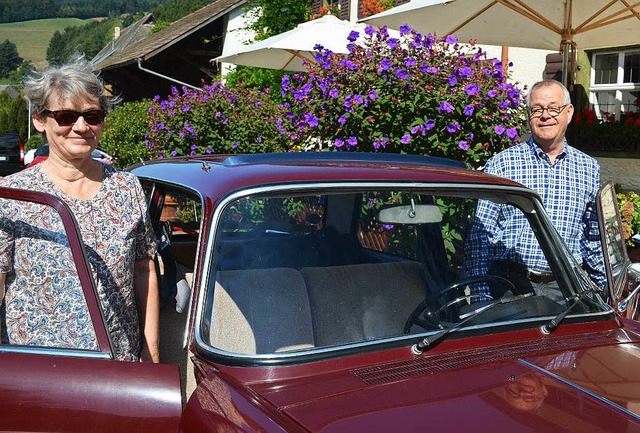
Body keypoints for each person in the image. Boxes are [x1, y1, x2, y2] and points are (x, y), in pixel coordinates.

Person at [0, 56, 160, 362]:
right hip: (39, 374)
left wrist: (151, 355)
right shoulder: (13, 195)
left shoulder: (126, 189)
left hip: (116, 368)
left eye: (93, 116)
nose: (81, 126)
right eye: (65, 116)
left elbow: (144, 269)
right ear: (39, 119)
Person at [464, 79, 605, 302]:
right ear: (529, 115)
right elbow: (481, 234)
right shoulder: (503, 164)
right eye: (537, 109)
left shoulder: (588, 168)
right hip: (510, 286)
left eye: (553, 108)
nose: (545, 116)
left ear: (568, 113)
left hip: (567, 289)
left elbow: (593, 235)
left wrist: (602, 288)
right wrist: (481, 293)